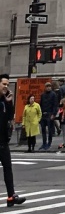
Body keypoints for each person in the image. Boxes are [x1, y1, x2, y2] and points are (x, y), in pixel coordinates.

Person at [0, 75, 24, 207]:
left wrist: (9, 103)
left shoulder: (5, 100)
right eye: (4, 84)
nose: (6, 87)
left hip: (3, 141)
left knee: (8, 168)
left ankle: (11, 195)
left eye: (8, 84)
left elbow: (9, 117)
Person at [39, 80, 58, 151]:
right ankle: (44, 143)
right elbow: (41, 105)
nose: (48, 88)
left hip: (50, 113)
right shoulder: (43, 95)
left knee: (50, 130)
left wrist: (54, 114)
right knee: (43, 130)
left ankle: (49, 143)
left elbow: (55, 105)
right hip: (43, 114)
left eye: (49, 86)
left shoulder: (53, 94)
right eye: (47, 86)